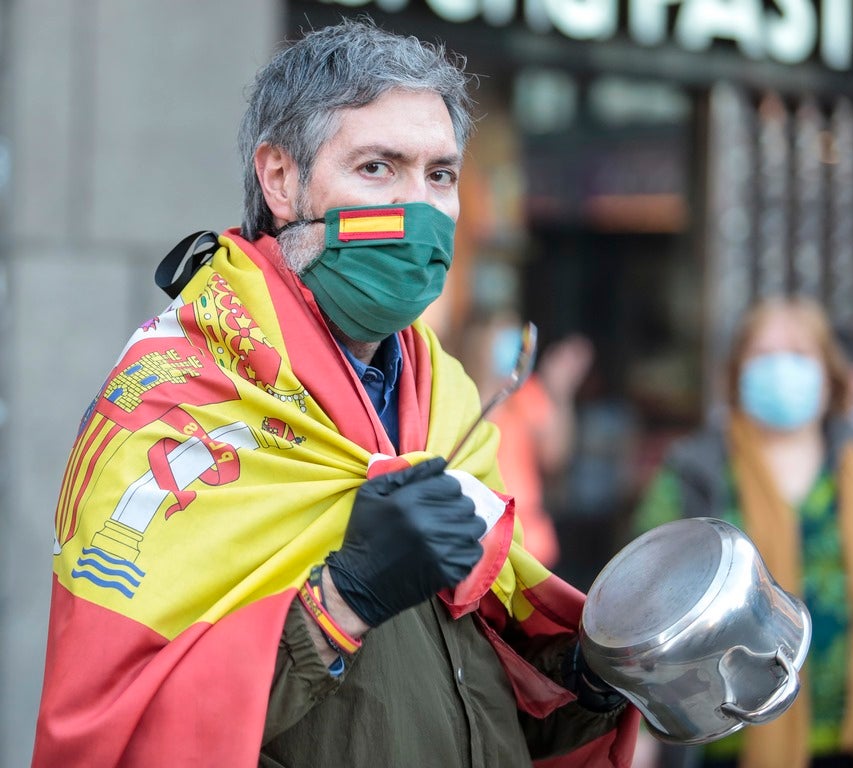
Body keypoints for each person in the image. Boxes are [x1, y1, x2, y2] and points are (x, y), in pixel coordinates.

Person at [31, 20, 638, 768]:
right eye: (379, 169)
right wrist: (343, 600)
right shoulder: (178, 400)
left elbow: (477, 694)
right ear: (280, 179)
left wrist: (585, 678)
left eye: (441, 175)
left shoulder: (445, 393)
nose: (419, 211)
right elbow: (125, 733)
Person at [632, 295, 853, 768]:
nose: (781, 368)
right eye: (764, 355)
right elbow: (642, 597)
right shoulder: (694, 472)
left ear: (828, 374)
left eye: (799, 355)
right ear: (737, 373)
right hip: (724, 742)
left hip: (845, 741)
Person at [464, 309, 593, 568]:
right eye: (502, 336)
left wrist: (560, 392)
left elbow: (555, 456)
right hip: (476, 536)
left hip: (527, 539)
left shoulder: (527, 393)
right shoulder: (461, 390)